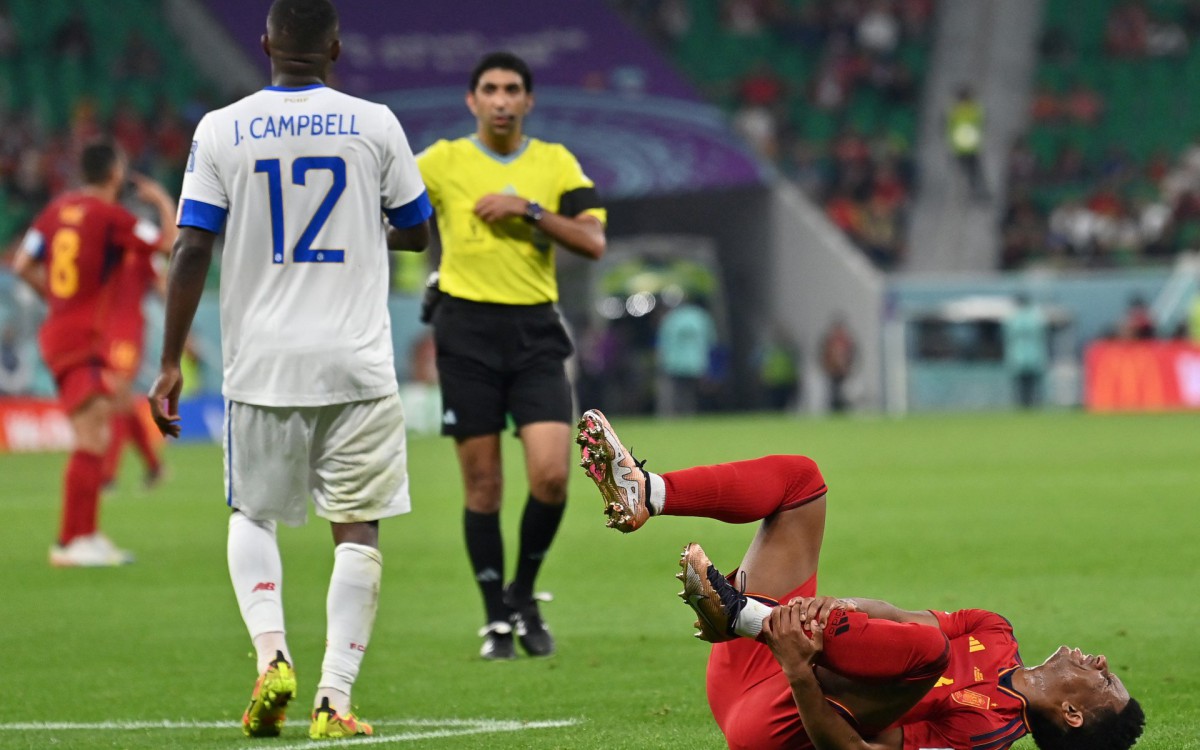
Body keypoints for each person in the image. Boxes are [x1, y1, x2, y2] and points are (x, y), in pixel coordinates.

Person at [146, 0, 432, 739]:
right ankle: (335, 698)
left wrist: (171, 360)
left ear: (267, 41)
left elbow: (190, 249)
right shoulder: (376, 124)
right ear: (335, 47)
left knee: (253, 513)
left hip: (262, 362)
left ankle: (271, 655)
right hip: (356, 364)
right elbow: (417, 228)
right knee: (358, 530)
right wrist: (359, 226)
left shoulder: (220, 129)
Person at [575, 409, 1145, 750]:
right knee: (802, 482)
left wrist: (799, 669)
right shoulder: (995, 630)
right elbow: (892, 616)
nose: (1100, 663)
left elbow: (854, 748)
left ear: (1072, 715)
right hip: (759, 656)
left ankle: (745, 615)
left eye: (1108, 681)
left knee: (927, 652)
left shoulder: (986, 734)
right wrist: (824, 608)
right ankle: (648, 493)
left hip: (777, 721)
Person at [416, 51, 607, 660]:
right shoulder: (441, 161)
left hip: (534, 332)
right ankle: (495, 617)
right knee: (483, 487)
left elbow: (593, 240)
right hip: (465, 330)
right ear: (472, 100)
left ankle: (523, 593)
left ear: (528, 101)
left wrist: (525, 209)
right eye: (490, 89)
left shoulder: (554, 162)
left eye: (512, 89)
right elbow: (392, 206)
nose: (501, 99)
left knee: (552, 475)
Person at [11, 141, 176, 567]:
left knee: (99, 429)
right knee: (91, 435)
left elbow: (22, 266)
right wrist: (160, 199)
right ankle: (71, 541)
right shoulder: (110, 216)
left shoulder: (54, 212)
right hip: (83, 339)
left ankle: (86, 534)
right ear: (116, 173)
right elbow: (167, 245)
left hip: (65, 332)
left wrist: (58, 301)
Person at [101, 244, 167, 490]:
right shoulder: (104, 249)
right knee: (120, 401)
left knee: (117, 396)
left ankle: (108, 475)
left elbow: (162, 285)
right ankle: (154, 466)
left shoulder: (142, 250)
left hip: (127, 333)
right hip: (103, 332)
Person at [655, 296, 718, 417]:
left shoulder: (670, 318)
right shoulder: (701, 317)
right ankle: (690, 414)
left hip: (674, 363)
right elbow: (712, 340)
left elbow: (663, 343)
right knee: (692, 392)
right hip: (696, 362)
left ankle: (676, 415)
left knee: (677, 392)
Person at [1002, 294, 1050, 409]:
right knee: (1033, 386)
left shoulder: (1013, 318)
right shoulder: (1036, 317)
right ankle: (1034, 405)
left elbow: (1007, 335)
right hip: (1034, 357)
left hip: (1019, 357)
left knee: (1021, 386)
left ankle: (1023, 405)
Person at [946, 84, 988, 200]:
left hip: (966, 145)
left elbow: (950, 127)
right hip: (964, 145)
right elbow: (979, 124)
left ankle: (974, 192)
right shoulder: (972, 109)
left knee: (972, 171)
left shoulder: (956, 110)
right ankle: (972, 192)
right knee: (971, 171)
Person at [819, 316, 856, 413]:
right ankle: (835, 410)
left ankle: (842, 409)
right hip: (832, 371)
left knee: (843, 392)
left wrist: (849, 367)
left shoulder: (846, 340)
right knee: (833, 392)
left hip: (843, 371)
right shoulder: (830, 340)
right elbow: (824, 354)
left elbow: (852, 354)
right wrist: (826, 367)